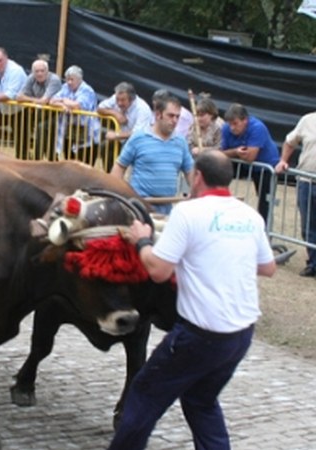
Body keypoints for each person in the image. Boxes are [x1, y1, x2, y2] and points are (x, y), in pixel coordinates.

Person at [112, 150, 276, 450]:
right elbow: (268, 267)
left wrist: (142, 240)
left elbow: (159, 271)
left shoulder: (188, 214)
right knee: (201, 400)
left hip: (201, 336)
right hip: (240, 336)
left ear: (197, 176)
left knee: (144, 394)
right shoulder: (250, 215)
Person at [110, 94, 193, 214]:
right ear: (158, 115)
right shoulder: (138, 138)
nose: (174, 121)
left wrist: (196, 192)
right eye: (170, 116)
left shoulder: (181, 142)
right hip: (140, 206)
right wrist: (115, 193)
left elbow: (190, 171)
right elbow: (119, 166)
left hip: (167, 208)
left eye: (177, 117)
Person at [220, 103, 280, 224]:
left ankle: (265, 233)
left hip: (266, 166)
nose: (232, 127)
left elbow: (250, 157)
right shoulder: (226, 128)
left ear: (245, 120)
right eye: (230, 124)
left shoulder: (258, 127)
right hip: (241, 162)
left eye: (235, 123)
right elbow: (221, 153)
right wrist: (236, 151)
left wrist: (231, 153)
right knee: (219, 172)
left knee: (265, 202)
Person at [275, 112, 316, 277]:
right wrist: (283, 160)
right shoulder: (308, 120)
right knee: (308, 226)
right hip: (306, 181)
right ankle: (313, 263)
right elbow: (289, 141)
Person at [49, 65, 98, 161]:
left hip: (86, 130)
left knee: (83, 160)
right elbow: (52, 101)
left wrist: (63, 99)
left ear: (80, 79)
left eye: (72, 79)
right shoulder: (65, 87)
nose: (69, 82)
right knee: (69, 158)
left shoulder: (87, 90)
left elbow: (77, 105)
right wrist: (63, 106)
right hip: (69, 128)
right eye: (67, 79)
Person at [15, 58, 61, 159]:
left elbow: (44, 101)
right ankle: (23, 156)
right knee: (20, 119)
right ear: (33, 72)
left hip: (55, 115)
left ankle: (37, 159)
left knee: (42, 130)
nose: (39, 74)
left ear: (47, 71)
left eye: (42, 71)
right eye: (37, 71)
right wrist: (36, 100)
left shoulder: (54, 80)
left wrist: (28, 99)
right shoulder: (31, 77)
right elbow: (19, 97)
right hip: (39, 113)